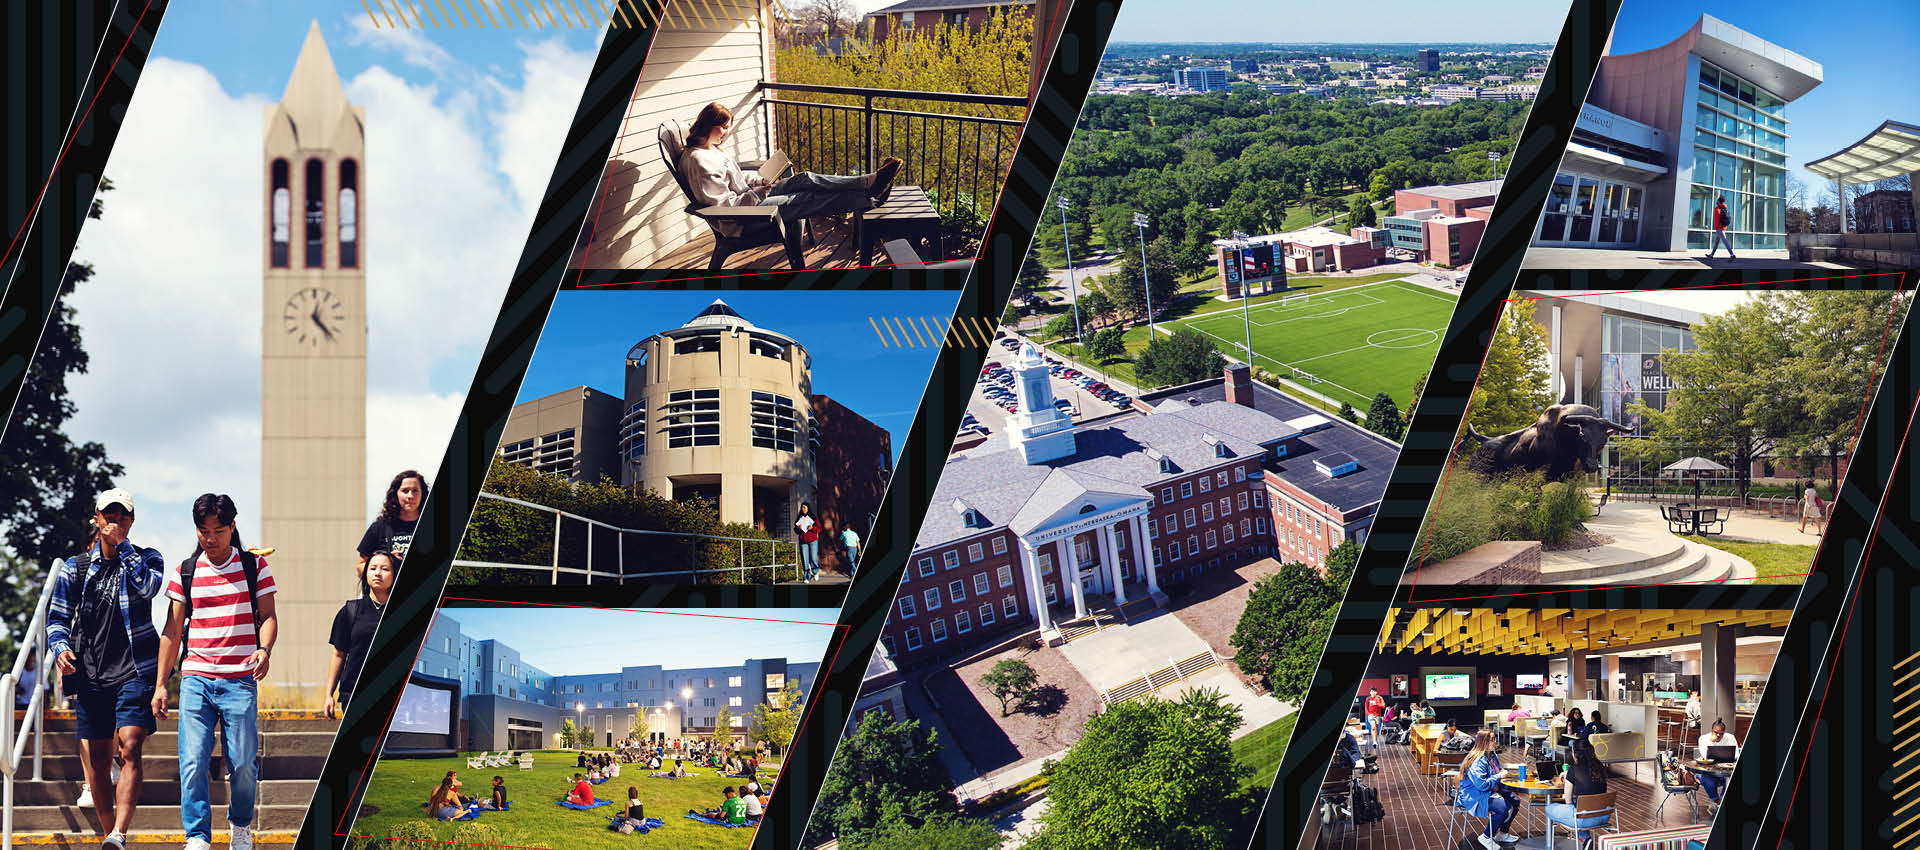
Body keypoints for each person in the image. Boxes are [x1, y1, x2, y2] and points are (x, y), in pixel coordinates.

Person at [153, 494, 278, 850]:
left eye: (218, 530)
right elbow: (172, 631)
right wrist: (161, 685)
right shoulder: (186, 571)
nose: (211, 538)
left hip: (240, 678)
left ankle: (240, 825)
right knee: (192, 760)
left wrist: (264, 649)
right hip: (196, 678)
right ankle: (197, 835)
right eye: (203, 531)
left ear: (232, 527)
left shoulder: (254, 567)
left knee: (242, 764)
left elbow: (268, 617)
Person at [46, 488, 167, 850]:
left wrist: (124, 549)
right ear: (96, 519)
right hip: (91, 674)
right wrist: (61, 647)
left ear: (131, 522)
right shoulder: (76, 567)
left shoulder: (147, 558)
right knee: (98, 761)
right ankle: (108, 835)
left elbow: (149, 588)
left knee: (130, 747)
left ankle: (120, 833)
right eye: (109, 516)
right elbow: (57, 618)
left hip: (134, 670)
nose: (115, 522)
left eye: (123, 516)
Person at [679, 102, 903, 239]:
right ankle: (869, 198)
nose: (726, 133)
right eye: (724, 127)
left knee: (803, 178)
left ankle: (868, 182)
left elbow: (735, 175)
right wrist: (759, 193)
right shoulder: (700, 162)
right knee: (804, 198)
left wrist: (761, 180)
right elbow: (725, 208)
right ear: (709, 124)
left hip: (751, 199)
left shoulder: (713, 150)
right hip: (743, 219)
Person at [324, 551, 395, 719]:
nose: (378, 573)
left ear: (395, 574)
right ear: (365, 574)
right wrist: (329, 695)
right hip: (353, 693)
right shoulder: (350, 610)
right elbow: (338, 654)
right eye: (373, 568)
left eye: (385, 569)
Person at [1455, 730, 1520, 847]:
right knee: (1503, 807)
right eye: (1491, 740)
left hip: (1489, 790)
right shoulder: (1478, 760)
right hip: (1475, 795)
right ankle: (1486, 837)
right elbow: (1482, 785)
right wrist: (1499, 776)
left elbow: (1497, 771)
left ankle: (1502, 833)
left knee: (1515, 801)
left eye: (1494, 739)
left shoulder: (1492, 754)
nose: (1494, 742)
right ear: (1483, 742)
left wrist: (1499, 776)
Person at [1545, 737, 1612, 845]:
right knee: (1580, 809)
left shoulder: (1574, 770)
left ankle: (1582, 836)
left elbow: (1568, 800)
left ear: (1575, 754)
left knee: (1550, 808)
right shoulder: (1600, 767)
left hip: (1584, 819)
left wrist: (1568, 778)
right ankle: (1586, 840)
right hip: (1604, 815)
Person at [358, 470, 427, 574]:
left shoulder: (433, 528)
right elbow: (360, 566)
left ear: (423, 494)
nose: (410, 496)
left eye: (415, 491)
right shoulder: (379, 527)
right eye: (405, 491)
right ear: (396, 494)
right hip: (390, 590)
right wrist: (387, 570)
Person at [1695, 719, 1741, 806]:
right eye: (1716, 732)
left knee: (1731, 778)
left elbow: (1735, 755)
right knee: (1707, 779)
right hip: (1708, 770)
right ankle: (1716, 800)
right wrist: (1712, 742)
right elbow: (1705, 755)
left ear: (1724, 732)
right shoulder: (1703, 738)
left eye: (1721, 733)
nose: (1718, 735)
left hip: (1725, 769)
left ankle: (1722, 800)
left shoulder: (1730, 738)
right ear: (1712, 730)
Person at [793, 503, 821, 582]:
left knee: (813, 557)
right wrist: (798, 528)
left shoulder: (813, 517)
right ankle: (806, 576)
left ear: (808, 508)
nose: (803, 509)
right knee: (804, 559)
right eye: (802, 507)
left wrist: (812, 528)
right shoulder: (799, 518)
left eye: (804, 507)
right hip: (803, 541)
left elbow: (819, 528)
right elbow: (795, 530)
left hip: (813, 540)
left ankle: (815, 571)